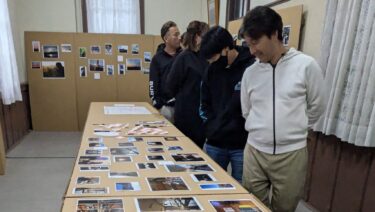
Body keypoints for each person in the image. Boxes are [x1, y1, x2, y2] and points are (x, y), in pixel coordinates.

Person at [240, 6, 325, 212]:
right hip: (255, 152)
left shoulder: (306, 66)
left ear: (275, 34)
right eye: (248, 44)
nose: (252, 51)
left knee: (284, 207)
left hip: (291, 154)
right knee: (253, 206)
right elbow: (247, 111)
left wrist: (296, 128)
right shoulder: (250, 73)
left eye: (256, 43)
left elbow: (317, 105)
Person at [199, 26, 255, 183]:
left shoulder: (250, 67)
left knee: (242, 190)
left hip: (242, 145)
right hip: (215, 142)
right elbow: (204, 104)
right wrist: (211, 127)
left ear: (225, 49)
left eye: (213, 58)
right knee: (211, 184)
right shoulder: (211, 70)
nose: (211, 62)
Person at [166, 20, 209, 148]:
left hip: (202, 115)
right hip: (187, 114)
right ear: (197, 37)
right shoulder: (183, 58)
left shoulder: (206, 56)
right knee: (186, 150)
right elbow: (170, 85)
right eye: (205, 36)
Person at [149, 21, 181, 123]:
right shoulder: (157, 59)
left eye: (179, 34)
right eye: (175, 35)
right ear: (166, 39)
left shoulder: (184, 56)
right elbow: (152, 83)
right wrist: (158, 104)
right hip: (166, 109)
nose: (179, 38)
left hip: (183, 108)